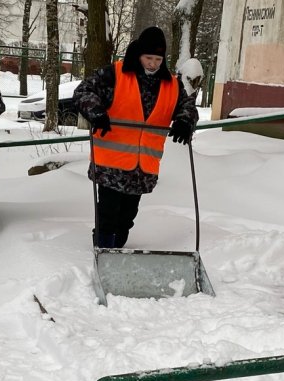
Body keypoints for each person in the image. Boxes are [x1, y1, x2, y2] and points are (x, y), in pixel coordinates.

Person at [73, 26, 198, 249]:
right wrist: (96, 112)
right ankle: (104, 251)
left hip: (143, 168)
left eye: (158, 59)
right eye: (149, 57)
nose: (153, 64)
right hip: (111, 165)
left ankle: (117, 251)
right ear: (139, 54)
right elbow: (84, 91)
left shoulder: (171, 84)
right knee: (108, 214)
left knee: (127, 217)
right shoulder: (116, 74)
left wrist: (185, 120)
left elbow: (187, 105)